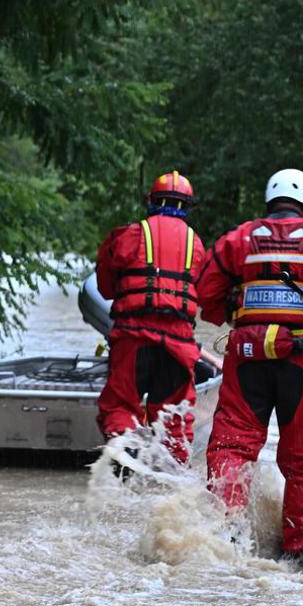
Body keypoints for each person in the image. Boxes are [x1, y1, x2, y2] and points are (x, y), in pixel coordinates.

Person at [194, 168, 303, 561]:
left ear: (270, 203)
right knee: (302, 458)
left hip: (247, 356)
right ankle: (298, 554)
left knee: (231, 447)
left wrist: (233, 312)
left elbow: (207, 295)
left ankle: (229, 539)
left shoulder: (238, 239)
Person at [94, 171, 207, 461]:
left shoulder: (129, 234)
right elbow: (205, 295)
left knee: (120, 408)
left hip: (133, 340)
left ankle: (122, 472)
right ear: (187, 206)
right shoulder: (197, 245)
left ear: (152, 201)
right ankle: (173, 488)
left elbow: (105, 289)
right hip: (179, 347)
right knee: (174, 421)